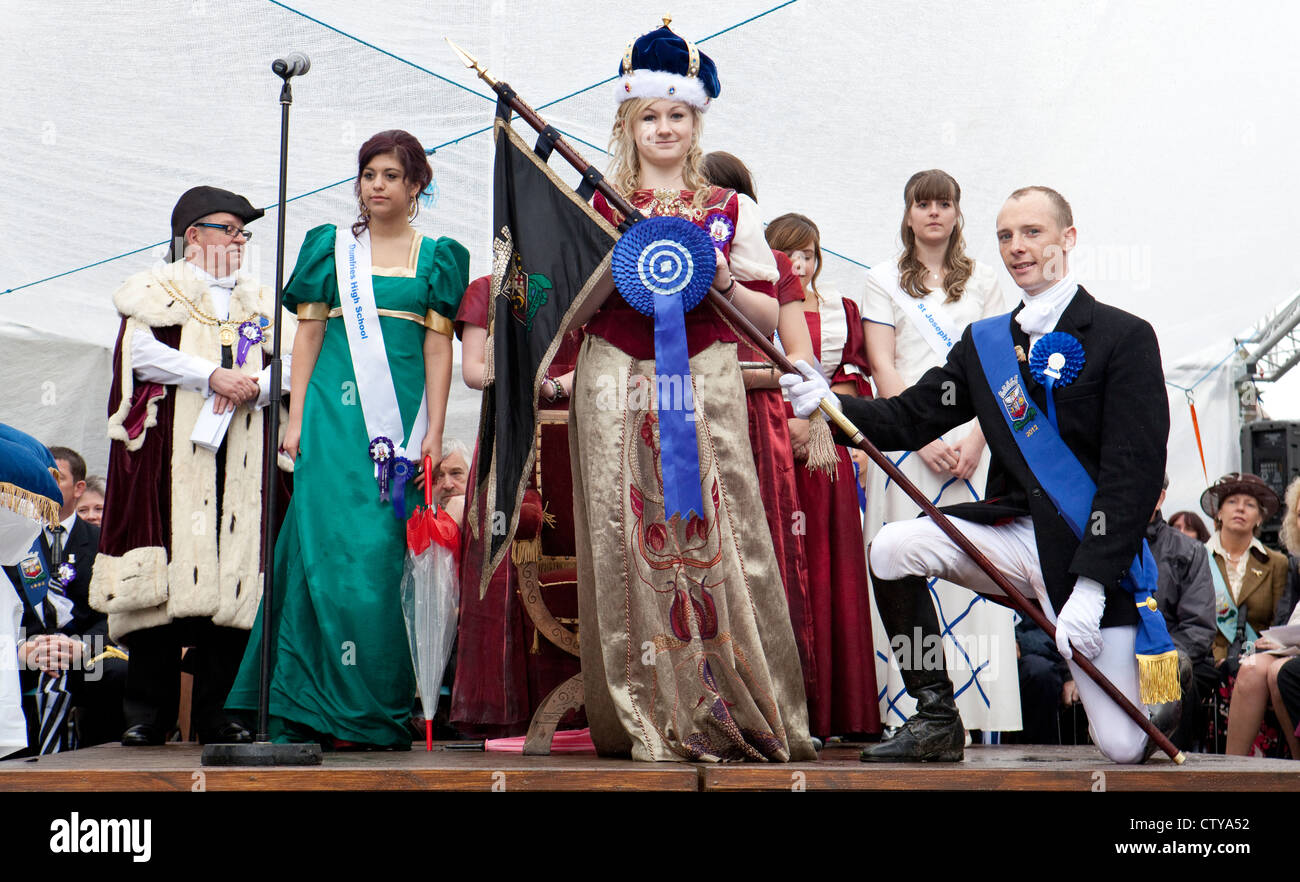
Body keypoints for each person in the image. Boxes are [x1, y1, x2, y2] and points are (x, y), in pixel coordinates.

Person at [784, 185, 1174, 764]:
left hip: (1090, 561)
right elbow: (912, 415)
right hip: (1015, 536)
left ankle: (1169, 685)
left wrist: (1091, 590)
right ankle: (937, 716)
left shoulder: (1126, 336)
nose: (1017, 247)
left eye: (1032, 233)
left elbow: (1133, 476)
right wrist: (831, 405)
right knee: (891, 548)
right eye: (1005, 236)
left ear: (1068, 238)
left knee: (1122, 746)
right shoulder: (987, 344)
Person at [567, 22, 816, 762]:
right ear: (627, 121)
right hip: (613, 373)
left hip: (704, 374)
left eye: (677, 114)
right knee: (623, 536)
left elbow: (772, 317)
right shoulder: (596, 202)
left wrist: (725, 276)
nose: (664, 127)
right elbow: (560, 315)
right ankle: (641, 708)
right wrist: (613, 266)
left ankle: (741, 700)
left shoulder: (728, 209)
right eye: (649, 115)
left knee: (723, 532)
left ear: (696, 120)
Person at [226, 130, 468, 749]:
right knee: (319, 546)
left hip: (403, 428)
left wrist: (436, 432)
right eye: (368, 174)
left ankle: (370, 709)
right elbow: (305, 339)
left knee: (383, 555)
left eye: (391, 175)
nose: (377, 185)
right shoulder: (329, 249)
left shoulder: (440, 256)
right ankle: (304, 706)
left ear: (417, 186)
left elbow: (438, 348)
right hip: (333, 424)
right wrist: (296, 415)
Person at [91, 186, 294, 746]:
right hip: (173, 457)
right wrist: (211, 376)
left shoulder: (259, 300)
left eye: (242, 232)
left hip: (242, 453)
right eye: (228, 229)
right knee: (162, 587)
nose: (238, 240)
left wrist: (258, 385)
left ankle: (218, 712)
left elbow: (298, 363)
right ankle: (146, 713)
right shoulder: (156, 289)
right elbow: (136, 354)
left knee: (232, 583)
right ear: (193, 235)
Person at [860, 170, 1020, 736]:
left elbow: (999, 366)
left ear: (957, 213)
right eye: (922, 204)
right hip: (908, 447)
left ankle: (979, 714)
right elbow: (883, 366)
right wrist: (920, 437)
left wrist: (977, 437)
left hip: (974, 446)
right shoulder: (880, 278)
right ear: (907, 214)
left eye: (943, 204)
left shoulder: (985, 280)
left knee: (970, 568)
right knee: (903, 565)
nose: (933, 213)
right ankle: (915, 710)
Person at [701, 151, 820, 727]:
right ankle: (699, 697)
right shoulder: (657, 256)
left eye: (718, 197)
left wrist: (762, 384)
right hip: (680, 416)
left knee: (761, 549)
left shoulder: (773, 263)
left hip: (752, 415)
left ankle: (776, 705)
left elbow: (799, 355)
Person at [449, 276, 585, 738]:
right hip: (508, 440)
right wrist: (535, 381)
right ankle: (505, 712)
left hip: (577, 443)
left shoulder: (588, 282)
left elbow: (605, 358)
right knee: (501, 568)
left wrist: (559, 385)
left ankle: (582, 710)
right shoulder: (487, 287)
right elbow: (472, 369)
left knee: (577, 558)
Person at [764, 212, 880, 740]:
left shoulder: (844, 309)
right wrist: (789, 426)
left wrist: (832, 429)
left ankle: (843, 711)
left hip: (826, 450)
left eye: (809, 253)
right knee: (785, 570)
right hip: (773, 446)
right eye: (790, 254)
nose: (801, 264)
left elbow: (854, 378)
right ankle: (788, 710)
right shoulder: (758, 301)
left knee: (833, 569)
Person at [1212, 473, 1296, 756]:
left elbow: (1280, 618)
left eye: (1249, 505)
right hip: (1211, 660)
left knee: (1261, 671)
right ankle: (1227, 772)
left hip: (1257, 652)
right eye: (1232, 502)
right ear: (1218, 513)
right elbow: (1193, 617)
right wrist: (1214, 657)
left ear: (1260, 519)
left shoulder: (1278, 563)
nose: (1239, 508)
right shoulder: (1197, 556)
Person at [1138, 474, 1215, 749]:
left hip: (1171, 653)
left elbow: (1199, 625)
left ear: (1160, 498)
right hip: (1117, 652)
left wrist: (1155, 658)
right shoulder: (1103, 543)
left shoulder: (1190, 550)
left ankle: (1167, 771)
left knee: (1171, 674)